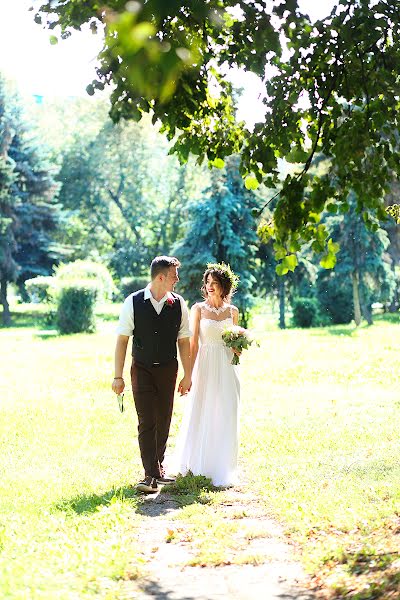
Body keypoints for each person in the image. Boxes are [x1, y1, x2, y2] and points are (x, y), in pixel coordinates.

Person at [112, 256, 191, 494]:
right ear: (161, 277)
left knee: (164, 419)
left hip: (168, 368)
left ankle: (157, 469)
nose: (177, 280)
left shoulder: (179, 303)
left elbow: (184, 341)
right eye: (174, 275)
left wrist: (187, 375)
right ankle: (151, 475)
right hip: (142, 368)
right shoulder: (133, 302)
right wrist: (118, 376)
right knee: (147, 421)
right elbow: (122, 340)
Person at [171, 263, 241, 487]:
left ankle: (222, 467)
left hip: (228, 366)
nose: (210, 287)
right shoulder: (198, 309)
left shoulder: (233, 311)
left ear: (224, 286)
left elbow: (234, 344)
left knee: (226, 411)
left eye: (215, 283)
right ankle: (199, 464)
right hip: (205, 364)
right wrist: (188, 374)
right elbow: (192, 344)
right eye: (208, 282)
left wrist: (239, 347)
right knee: (203, 409)